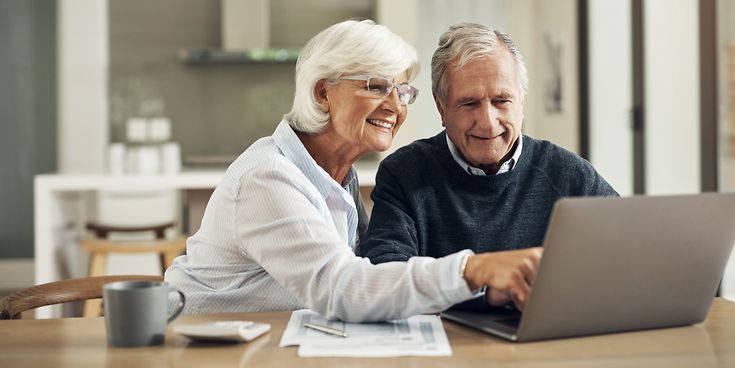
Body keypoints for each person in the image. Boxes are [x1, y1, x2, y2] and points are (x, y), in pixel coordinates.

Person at [165, 19, 539, 322]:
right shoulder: (268, 177)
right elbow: (343, 289)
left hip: (270, 343)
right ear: (322, 93)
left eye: (402, 90)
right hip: (194, 348)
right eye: (377, 86)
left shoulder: (339, 177)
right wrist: (473, 270)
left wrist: (489, 289)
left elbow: (371, 279)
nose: (395, 105)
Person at [359, 23, 618, 310]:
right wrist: (485, 291)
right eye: (469, 103)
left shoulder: (568, 173)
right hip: (448, 346)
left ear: (521, 102)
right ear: (441, 108)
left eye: (501, 100)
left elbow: (629, 251)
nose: (488, 121)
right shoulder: (404, 173)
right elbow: (384, 276)